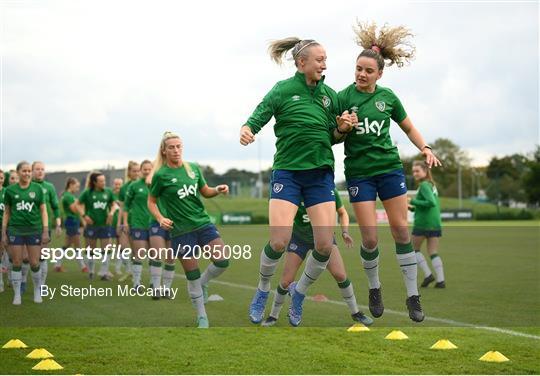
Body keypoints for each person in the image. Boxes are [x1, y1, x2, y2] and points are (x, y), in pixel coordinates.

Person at [240, 37, 354, 326]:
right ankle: (262, 291)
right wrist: (246, 129)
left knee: (325, 246)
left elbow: (334, 135)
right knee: (279, 241)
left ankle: (299, 293)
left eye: (325, 59)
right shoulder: (282, 90)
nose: (324, 64)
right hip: (288, 173)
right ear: (301, 63)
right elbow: (257, 116)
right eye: (318, 59)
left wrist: (341, 129)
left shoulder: (330, 96)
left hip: (320, 175)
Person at [335, 22, 442, 322]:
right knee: (369, 239)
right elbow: (333, 135)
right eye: (358, 68)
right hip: (359, 174)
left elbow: (408, 127)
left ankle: (413, 295)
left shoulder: (388, 98)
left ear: (379, 74)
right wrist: (341, 128)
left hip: (390, 170)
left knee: (401, 231)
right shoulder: (343, 97)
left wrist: (426, 148)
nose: (361, 74)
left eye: (368, 71)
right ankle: (375, 288)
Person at [148, 131, 230, 328]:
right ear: (164, 151)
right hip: (181, 231)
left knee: (222, 261)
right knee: (191, 275)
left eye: (179, 146)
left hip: (203, 223)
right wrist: (160, 218)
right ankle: (202, 316)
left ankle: (204, 281)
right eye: (171, 147)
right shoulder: (161, 175)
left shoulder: (193, 168)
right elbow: (151, 202)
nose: (176, 150)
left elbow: (205, 191)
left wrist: (217, 189)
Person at [262, 189, 373, 327]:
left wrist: (344, 231)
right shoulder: (292, 188)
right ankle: (273, 315)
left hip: (324, 238)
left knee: (340, 275)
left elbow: (342, 212)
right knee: (286, 281)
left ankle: (356, 313)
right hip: (299, 238)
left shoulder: (327, 188)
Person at [1, 161, 49, 305]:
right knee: (16, 261)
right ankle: (17, 295)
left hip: (34, 229)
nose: (27, 173)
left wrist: (45, 230)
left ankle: (36, 290)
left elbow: (43, 210)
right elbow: (7, 212)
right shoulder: (10, 190)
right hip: (15, 229)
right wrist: (4, 231)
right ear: (18, 172)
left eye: (29, 171)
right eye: (24, 171)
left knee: (34, 262)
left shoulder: (38, 189)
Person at [409, 160, 445, 288]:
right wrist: (412, 207)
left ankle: (428, 275)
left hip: (423, 223)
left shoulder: (424, 185)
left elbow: (431, 203)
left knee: (413, 249)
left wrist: (413, 201)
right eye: (413, 171)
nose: (415, 173)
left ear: (425, 171)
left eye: (417, 171)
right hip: (435, 223)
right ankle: (441, 281)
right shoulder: (431, 184)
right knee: (433, 251)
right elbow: (427, 205)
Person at [123, 160, 155, 294]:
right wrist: (125, 222)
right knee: (140, 253)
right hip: (138, 223)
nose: (147, 171)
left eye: (149, 169)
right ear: (141, 170)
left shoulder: (156, 184)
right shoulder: (134, 186)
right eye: (145, 169)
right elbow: (125, 206)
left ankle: (154, 282)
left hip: (154, 223)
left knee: (154, 254)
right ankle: (136, 283)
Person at [78, 171, 117, 280]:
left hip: (105, 225)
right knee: (91, 250)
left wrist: (111, 212)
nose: (104, 182)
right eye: (101, 181)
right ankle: (91, 271)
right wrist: (84, 216)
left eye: (104, 180)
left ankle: (104, 273)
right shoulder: (87, 193)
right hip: (92, 226)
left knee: (107, 249)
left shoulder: (108, 192)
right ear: (94, 182)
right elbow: (78, 204)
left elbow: (114, 204)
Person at [32, 161, 62, 285]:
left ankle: (41, 285)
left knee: (42, 256)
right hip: (27, 227)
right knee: (28, 259)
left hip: (45, 227)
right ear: (32, 171)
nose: (40, 171)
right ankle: (21, 280)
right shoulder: (27, 186)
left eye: (42, 169)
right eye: (37, 169)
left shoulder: (49, 187)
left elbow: (55, 207)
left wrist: (58, 224)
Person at [58, 177, 87, 272]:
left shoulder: (70, 195)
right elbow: (74, 210)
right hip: (72, 221)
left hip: (73, 221)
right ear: (71, 185)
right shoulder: (68, 196)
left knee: (67, 244)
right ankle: (83, 267)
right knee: (77, 244)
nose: (77, 189)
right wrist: (80, 205)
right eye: (76, 186)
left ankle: (57, 265)